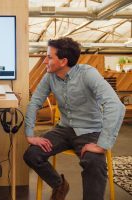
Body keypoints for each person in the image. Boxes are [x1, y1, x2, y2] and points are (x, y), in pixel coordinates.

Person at [23, 37, 125, 200]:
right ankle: (59, 185)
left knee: (94, 162)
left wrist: (102, 145)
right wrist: (30, 135)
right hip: (63, 129)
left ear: (63, 61)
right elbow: (35, 102)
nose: (44, 62)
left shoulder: (88, 74)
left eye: (49, 57)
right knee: (32, 154)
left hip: (90, 131)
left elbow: (116, 105)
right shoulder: (50, 76)